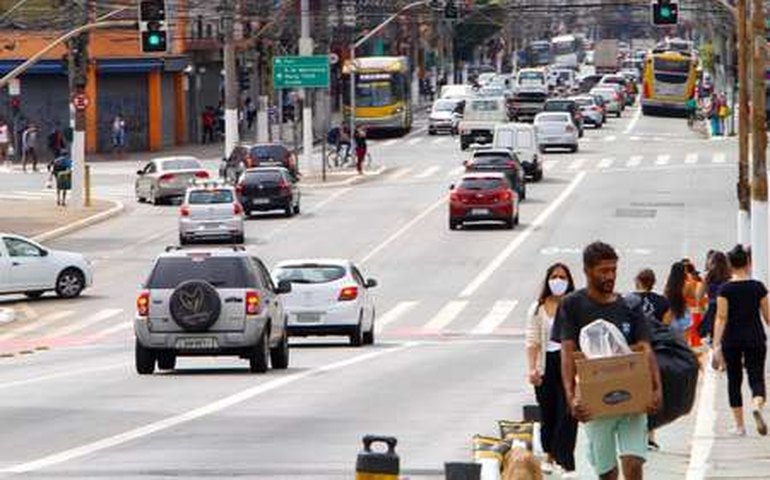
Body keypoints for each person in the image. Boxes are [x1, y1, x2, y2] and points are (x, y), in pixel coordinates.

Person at [556, 241, 661, 480]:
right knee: (607, 472)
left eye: (613, 269)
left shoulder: (630, 306)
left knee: (634, 463)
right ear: (587, 271)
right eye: (603, 270)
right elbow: (567, 353)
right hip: (595, 403)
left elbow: (645, 348)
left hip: (632, 401)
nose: (610, 276)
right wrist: (571, 398)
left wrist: (656, 388)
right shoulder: (572, 305)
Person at [525, 263, 578, 478]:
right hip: (547, 366)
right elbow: (532, 340)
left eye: (562, 277)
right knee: (548, 413)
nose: (558, 281)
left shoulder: (575, 305)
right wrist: (532, 369)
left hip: (569, 364)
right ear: (548, 280)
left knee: (567, 413)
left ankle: (566, 461)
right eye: (554, 277)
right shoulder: (537, 308)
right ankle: (549, 455)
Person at [713, 245, 770, 436]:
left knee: (734, 380)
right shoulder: (758, 287)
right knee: (756, 377)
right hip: (755, 337)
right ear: (748, 263)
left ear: (730, 265)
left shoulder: (725, 289)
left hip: (732, 340)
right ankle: (756, 404)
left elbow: (721, 318)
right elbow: (768, 316)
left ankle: (739, 426)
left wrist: (716, 345)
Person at [697, 251, 731, 342]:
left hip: (712, 308)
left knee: (714, 337)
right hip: (727, 308)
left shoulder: (708, 276)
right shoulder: (729, 276)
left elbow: (699, 296)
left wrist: (703, 311)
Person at [663, 261, 692, 339]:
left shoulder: (668, 286)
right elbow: (693, 297)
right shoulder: (687, 285)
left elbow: (665, 300)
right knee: (684, 344)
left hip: (671, 315)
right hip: (683, 312)